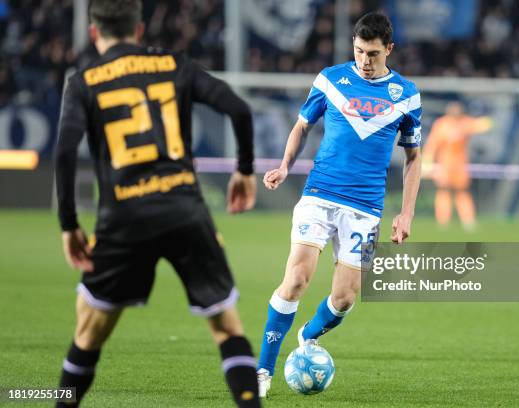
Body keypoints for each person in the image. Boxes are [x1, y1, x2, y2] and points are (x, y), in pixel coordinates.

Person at [54, 1, 260, 407]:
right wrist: (245, 170)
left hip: (123, 218)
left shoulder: (84, 81)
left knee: (88, 334)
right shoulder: (173, 66)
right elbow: (238, 108)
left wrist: (69, 224)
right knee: (226, 328)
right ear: (140, 29)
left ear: (94, 32)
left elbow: (63, 152)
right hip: (185, 209)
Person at [255, 12, 422, 397]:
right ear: (353, 45)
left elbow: (414, 158)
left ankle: (308, 334)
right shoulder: (331, 79)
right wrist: (284, 166)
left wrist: (407, 211)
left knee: (345, 298)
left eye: (374, 54)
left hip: (365, 208)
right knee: (296, 278)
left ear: (389, 50)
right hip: (319, 195)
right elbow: (302, 126)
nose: (365, 60)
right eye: (360, 51)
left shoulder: (407, 94)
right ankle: (262, 370)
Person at [422, 102, 492, 230]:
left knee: (462, 192)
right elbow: (432, 145)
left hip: (460, 165)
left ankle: (468, 221)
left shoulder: (464, 123)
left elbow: (482, 125)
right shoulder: (442, 124)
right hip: (445, 164)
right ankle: (443, 222)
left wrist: (488, 120)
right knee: (443, 192)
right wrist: (427, 162)